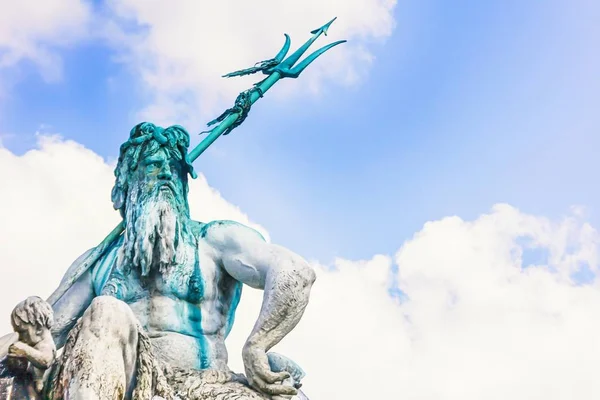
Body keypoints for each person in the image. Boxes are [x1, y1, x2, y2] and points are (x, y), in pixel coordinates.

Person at [2, 122, 316, 399]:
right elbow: (42, 336)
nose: (166, 173)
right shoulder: (98, 263)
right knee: (107, 309)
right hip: (126, 383)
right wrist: (29, 320)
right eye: (153, 166)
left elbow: (293, 272)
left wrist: (259, 344)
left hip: (206, 385)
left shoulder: (214, 240)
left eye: (175, 169)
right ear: (125, 187)